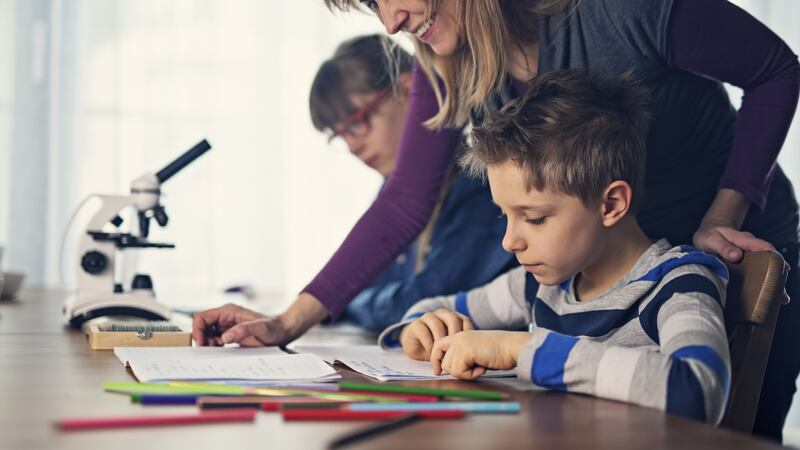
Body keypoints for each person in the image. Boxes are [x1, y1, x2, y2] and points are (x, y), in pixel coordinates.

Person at [198, 0, 799, 439]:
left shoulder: (619, 10)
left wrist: (724, 212)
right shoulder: (448, 59)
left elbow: (776, 69)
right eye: (372, 5)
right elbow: (405, 201)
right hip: (593, 270)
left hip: (722, 251)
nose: (390, 21)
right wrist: (288, 322)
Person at [379, 70, 731, 425]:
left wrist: (521, 349)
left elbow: (698, 392)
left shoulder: (677, 284)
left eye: (534, 218)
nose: (509, 242)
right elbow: (431, 308)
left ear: (611, 204)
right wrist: (419, 329)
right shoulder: (536, 285)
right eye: (505, 215)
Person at [192, 35, 515, 338]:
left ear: (407, 92)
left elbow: (416, 302)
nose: (352, 146)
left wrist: (349, 303)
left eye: (357, 123)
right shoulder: (393, 192)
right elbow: (373, 284)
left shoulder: (483, 185)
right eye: (340, 135)